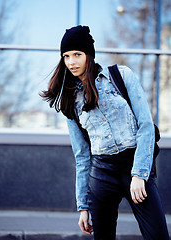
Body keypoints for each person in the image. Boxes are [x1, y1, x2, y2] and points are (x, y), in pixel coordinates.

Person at [41, 25, 169, 240]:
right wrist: (83, 206)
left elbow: (146, 126)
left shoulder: (120, 76)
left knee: (158, 235)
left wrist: (139, 174)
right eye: (66, 56)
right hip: (101, 173)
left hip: (134, 167)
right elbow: (81, 156)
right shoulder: (70, 100)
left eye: (77, 55)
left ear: (88, 55)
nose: (71, 62)